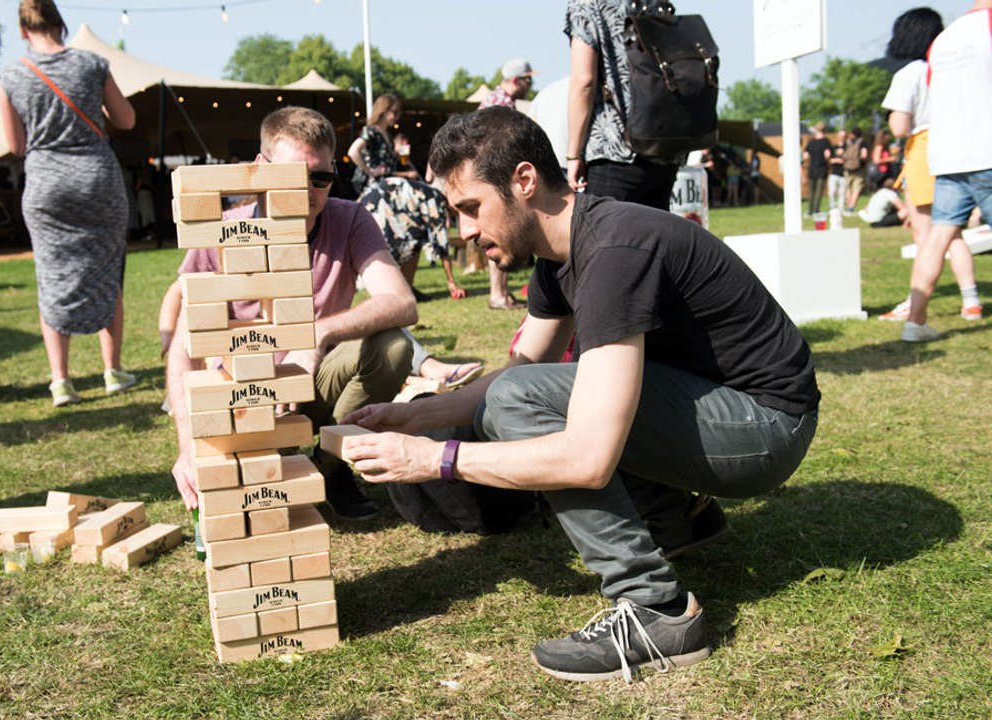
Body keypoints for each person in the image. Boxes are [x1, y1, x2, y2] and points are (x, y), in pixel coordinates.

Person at [340, 108, 820, 682]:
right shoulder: (561, 252)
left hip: (765, 426)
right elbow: (522, 368)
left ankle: (655, 610)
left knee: (523, 403)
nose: (464, 231)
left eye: (471, 208)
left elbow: (586, 456)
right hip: (728, 409)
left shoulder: (614, 250)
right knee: (519, 393)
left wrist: (434, 461)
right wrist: (411, 419)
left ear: (523, 181)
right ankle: (680, 519)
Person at [168, 106, 418, 520]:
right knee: (253, 513)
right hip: (244, 397)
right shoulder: (221, 232)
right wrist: (188, 445)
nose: (307, 191)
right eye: (292, 177)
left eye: (320, 178)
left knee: (393, 348)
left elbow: (400, 302)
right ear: (260, 167)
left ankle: (330, 464)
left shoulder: (350, 218)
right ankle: (276, 458)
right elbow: (184, 347)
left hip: (314, 379)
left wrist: (315, 334)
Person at [0, 0, 137, 406]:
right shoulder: (93, 64)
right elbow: (126, 119)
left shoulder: (12, 74)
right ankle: (112, 371)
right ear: (61, 23)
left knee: (51, 275)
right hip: (97, 179)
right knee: (108, 269)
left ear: (24, 31)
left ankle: (61, 381)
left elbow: (17, 145)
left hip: (46, 186)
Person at [877, 7, 980, 324]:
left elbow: (898, 126)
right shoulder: (947, 67)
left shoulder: (908, 74)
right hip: (957, 146)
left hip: (923, 151)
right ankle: (971, 301)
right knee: (954, 233)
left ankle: (915, 307)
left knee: (929, 238)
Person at [349, 94, 467, 303]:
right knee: (393, 239)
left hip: (394, 194)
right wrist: (371, 171)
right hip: (382, 196)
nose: (397, 117)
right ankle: (394, 289)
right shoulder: (372, 131)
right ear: (384, 111)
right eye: (394, 112)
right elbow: (353, 151)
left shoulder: (385, 134)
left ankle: (406, 287)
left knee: (414, 231)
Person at [565, 1, 681, 209]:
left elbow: (584, 82)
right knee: (655, 238)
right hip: (663, 142)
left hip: (614, 146)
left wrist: (574, 155)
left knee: (603, 237)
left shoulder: (586, 4)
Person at [479, 57, 537, 310]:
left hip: (491, 177)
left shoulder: (498, 101)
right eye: (528, 79)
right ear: (516, 80)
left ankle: (500, 292)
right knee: (498, 233)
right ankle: (497, 295)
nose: (531, 83)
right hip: (494, 178)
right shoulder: (500, 105)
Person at [802, 123, 831, 216]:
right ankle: (816, 209)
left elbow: (805, 156)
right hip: (822, 169)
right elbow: (828, 155)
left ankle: (810, 210)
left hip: (812, 169)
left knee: (811, 191)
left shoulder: (811, 142)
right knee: (819, 191)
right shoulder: (826, 141)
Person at [843, 127, 869, 214]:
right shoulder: (863, 142)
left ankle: (848, 207)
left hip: (847, 168)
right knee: (856, 189)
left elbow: (842, 154)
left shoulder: (847, 142)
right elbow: (864, 155)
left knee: (848, 189)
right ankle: (851, 208)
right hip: (859, 169)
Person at [827, 129, 847, 212]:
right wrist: (836, 160)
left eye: (844, 136)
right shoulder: (833, 147)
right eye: (840, 136)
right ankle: (833, 207)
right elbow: (829, 160)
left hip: (844, 173)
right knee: (831, 192)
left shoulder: (848, 147)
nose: (842, 138)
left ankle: (841, 208)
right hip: (834, 173)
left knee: (842, 192)